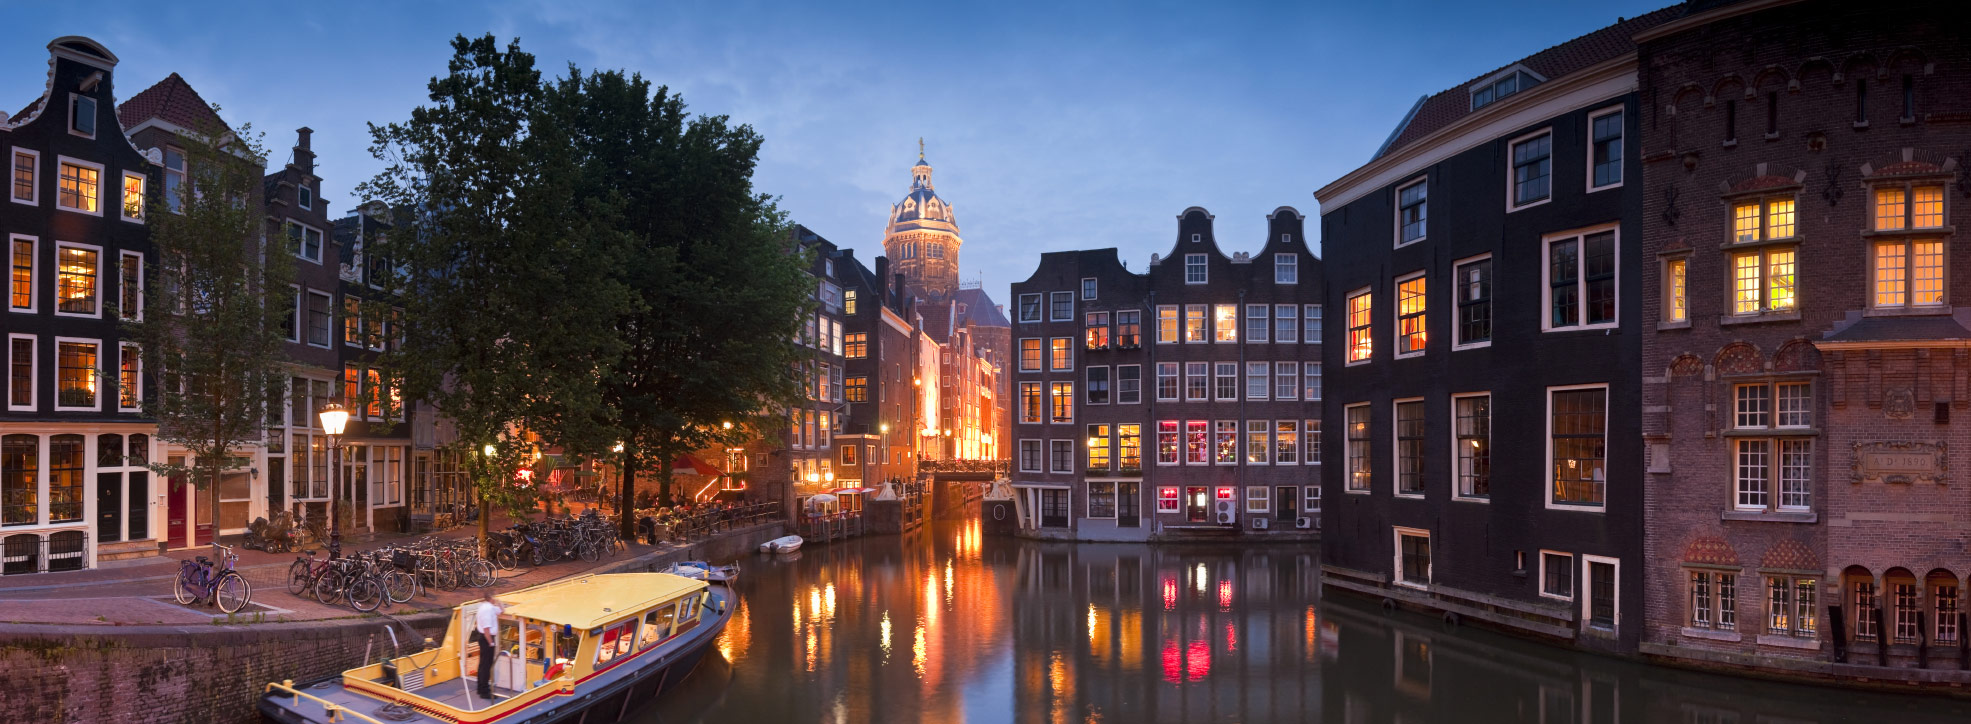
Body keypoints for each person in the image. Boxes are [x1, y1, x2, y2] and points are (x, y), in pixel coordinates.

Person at [472, 591, 503, 701]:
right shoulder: (487, 610)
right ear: (490, 597)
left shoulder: (488, 607)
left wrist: (499, 602)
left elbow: (500, 611)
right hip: (487, 639)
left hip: (485, 638)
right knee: (486, 665)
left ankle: (480, 688)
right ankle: (484, 691)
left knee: (483, 664)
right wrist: (491, 643)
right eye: (495, 596)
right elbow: (486, 629)